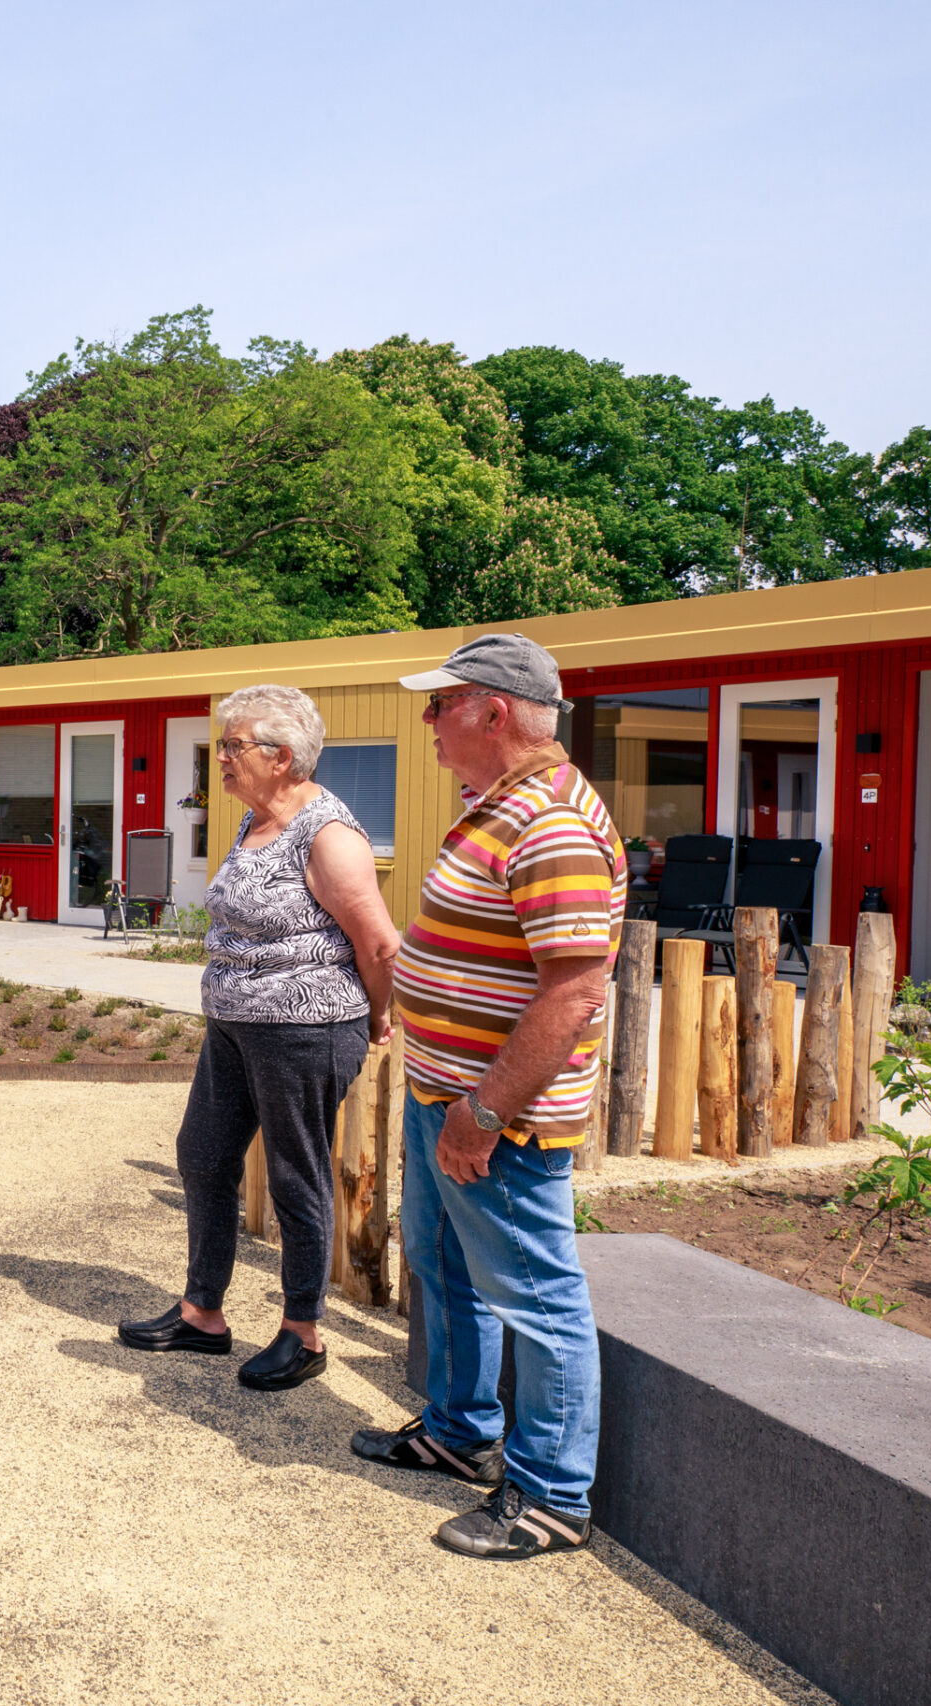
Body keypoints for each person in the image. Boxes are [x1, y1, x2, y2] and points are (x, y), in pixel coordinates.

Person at [352, 633, 622, 1560]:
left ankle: (551, 1495)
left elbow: (575, 991)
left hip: (498, 1121)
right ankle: (460, 1431)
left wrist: (485, 1112)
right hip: (451, 1098)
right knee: (447, 1267)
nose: (426, 721)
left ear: (494, 712)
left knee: (538, 1300)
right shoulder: (498, 807)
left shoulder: (549, 820)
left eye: (441, 704)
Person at [116, 685, 399, 1391]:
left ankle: (301, 1332)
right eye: (223, 745)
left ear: (283, 756)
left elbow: (381, 945)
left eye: (233, 746)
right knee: (204, 1157)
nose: (222, 759)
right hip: (237, 1028)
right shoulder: (253, 823)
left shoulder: (329, 836)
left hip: (306, 1029)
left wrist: (378, 1017)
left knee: (296, 1177)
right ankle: (202, 1311)